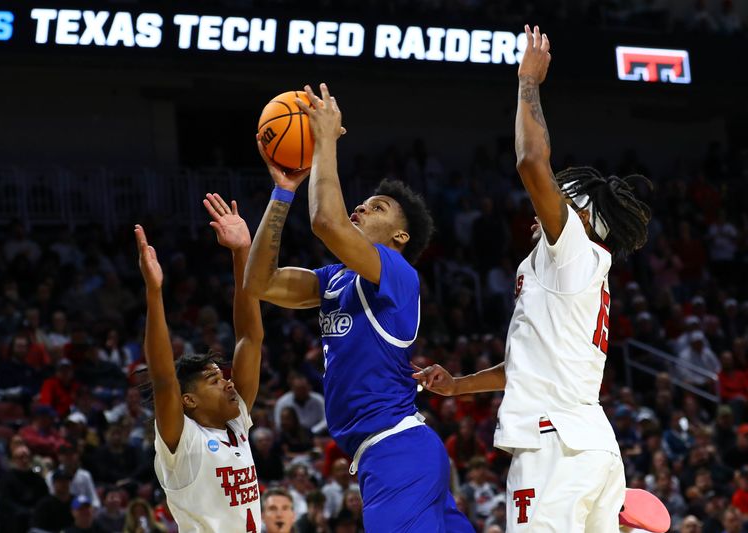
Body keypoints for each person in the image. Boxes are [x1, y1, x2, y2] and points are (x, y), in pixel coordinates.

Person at [413, 25, 652, 532]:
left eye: (557, 197)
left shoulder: (573, 251)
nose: (541, 206)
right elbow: (524, 366)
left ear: (580, 213)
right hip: (589, 443)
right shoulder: (569, 271)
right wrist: (458, 387)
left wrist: (528, 84)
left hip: (554, 447)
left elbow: (529, 161)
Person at [245, 83, 472, 532]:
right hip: (388, 456)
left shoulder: (399, 274)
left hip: (397, 452)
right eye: (363, 203)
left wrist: (325, 140)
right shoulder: (335, 280)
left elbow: (326, 222)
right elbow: (259, 282)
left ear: (400, 237)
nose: (361, 208)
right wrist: (283, 191)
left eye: (378, 207)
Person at [137, 191, 263, 532]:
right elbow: (163, 378)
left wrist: (242, 252)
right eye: (214, 379)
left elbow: (250, 338)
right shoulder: (183, 441)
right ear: (188, 400)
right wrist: (154, 292)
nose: (229, 382)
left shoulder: (238, 425)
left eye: (223, 375)